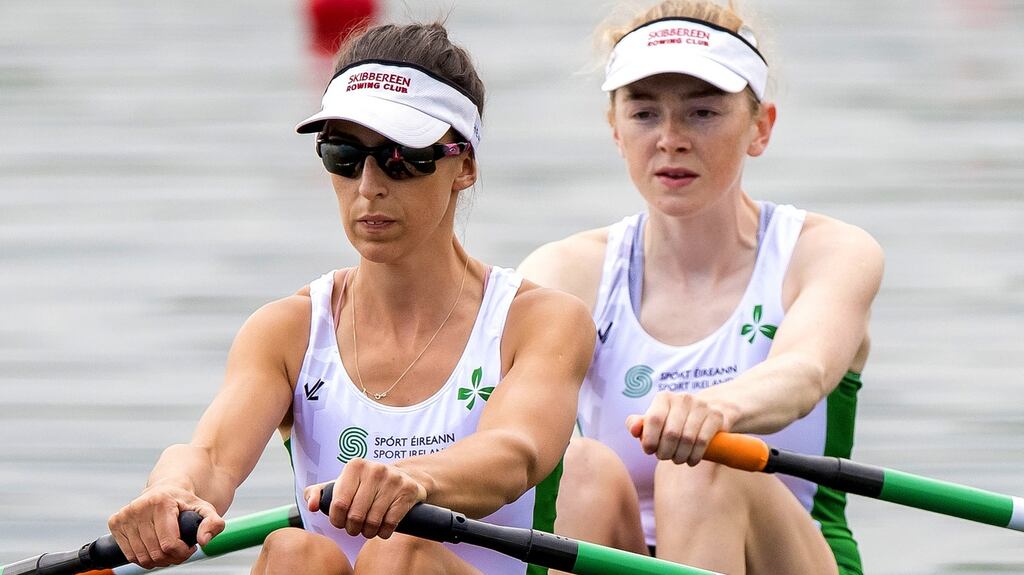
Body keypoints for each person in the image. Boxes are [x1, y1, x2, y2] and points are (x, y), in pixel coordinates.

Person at [107, 21, 594, 575]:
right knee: (294, 552)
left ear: (465, 165)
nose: (368, 187)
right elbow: (212, 457)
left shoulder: (539, 321)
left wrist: (421, 480)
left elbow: (515, 453)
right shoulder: (286, 330)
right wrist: (173, 490)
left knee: (399, 553)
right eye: (344, 154)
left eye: (402, 157)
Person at [518, 1, 883, 574]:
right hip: (627, 551)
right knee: (578, 467)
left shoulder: (828, 252)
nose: (670, 140)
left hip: (788, 557)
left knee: (706, 461)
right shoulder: (565, 273)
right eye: (644, 114)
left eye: (703, 113)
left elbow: (806, 373)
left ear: (760, 128)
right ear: (614, 129)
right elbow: (510, 424)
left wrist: (716, 410)